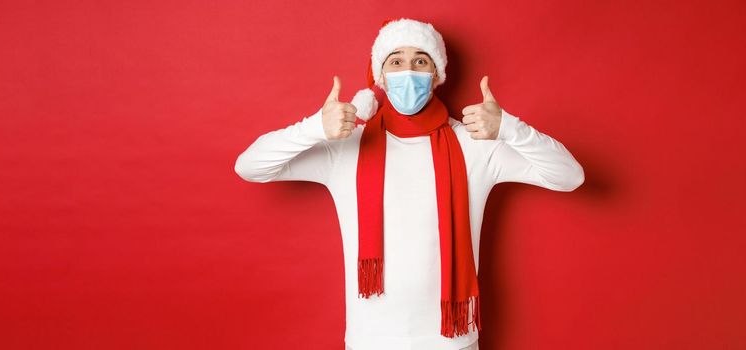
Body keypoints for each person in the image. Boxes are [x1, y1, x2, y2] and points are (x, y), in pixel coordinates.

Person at [234, 17, 584, 350]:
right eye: (396, 61)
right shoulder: (346, 145)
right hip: (371, 339)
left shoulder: (473, 144)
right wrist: (315, 128)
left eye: (421, 61)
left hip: (453, 341)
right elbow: (250, 166)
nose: (408, 72)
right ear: (381, 76)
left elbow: (570, 176)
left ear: (436, 75)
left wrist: (509, 127)